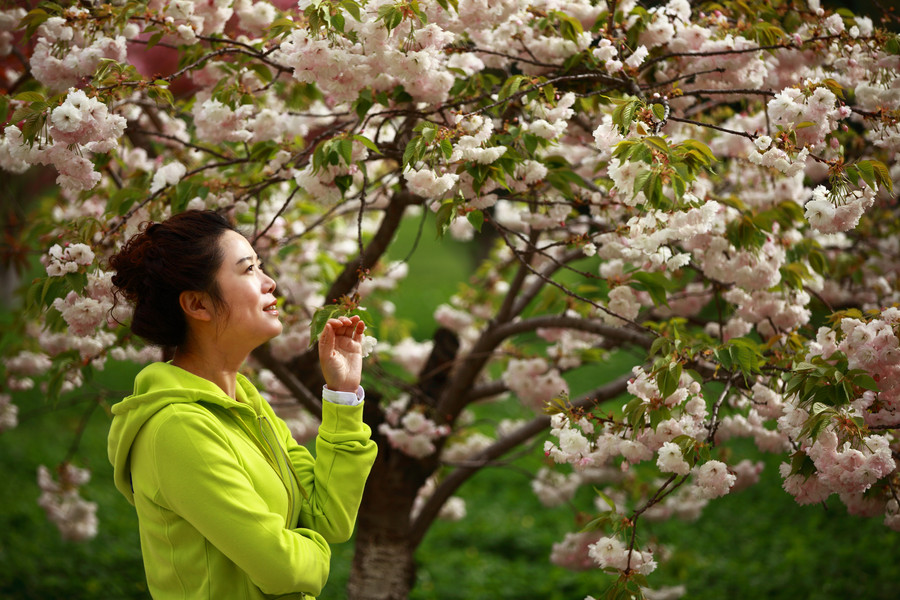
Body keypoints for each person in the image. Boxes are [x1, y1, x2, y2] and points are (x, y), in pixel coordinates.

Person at [106, 210, 377, 600]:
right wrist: (315, 554)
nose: (270, 283)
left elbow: (328, 518)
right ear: (198, 304)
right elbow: (282, 569)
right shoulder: (178, 428)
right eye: (249, 270)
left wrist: (343, 393)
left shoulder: (246, 403)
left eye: (261, 267)